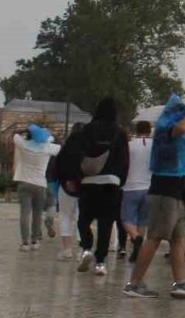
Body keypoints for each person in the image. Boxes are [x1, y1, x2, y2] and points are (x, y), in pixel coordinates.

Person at [123, 94, 185, 300]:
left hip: (176, 192)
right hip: (164, 193)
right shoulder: (165, 129)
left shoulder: (181, 126)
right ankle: (134, 283)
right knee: (154, 237)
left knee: (178, 239)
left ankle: (180, 282)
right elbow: (181, 130)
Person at [73, 97, 129, 277]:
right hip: (111, 184)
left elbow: (76, 155)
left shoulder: (87, 130)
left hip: (89, 182)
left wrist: (76, 177)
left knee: (84, 220)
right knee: (106, 224)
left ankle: (86, 248)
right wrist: (121, 181)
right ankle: (100, 262)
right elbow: (125, 161)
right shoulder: (120, 134)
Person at [12, 124, 60, 252]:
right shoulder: (48, 148)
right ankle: (35, 241)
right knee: (38, 214)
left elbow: (14, 134)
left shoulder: (23, 144)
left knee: (25, 214)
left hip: (24, 184)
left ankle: (25, 243)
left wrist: (26, 130)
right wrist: (50, 135)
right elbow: (61, 147)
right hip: (40, 185)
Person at [122, 120, 153, 263]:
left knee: (127, 219)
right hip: (149, 187)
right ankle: (138, 250)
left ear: (136, 130)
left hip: (130, 186)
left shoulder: (129, 146)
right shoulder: (154, 146)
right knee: (142, 221)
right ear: (149, 131)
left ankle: (135, 237)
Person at [54, 123, 85, 261]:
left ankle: (67, 249)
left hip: (66, 187)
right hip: (84, 187)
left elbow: (57, 167)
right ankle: (82, 250)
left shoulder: (66, 148)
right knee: (82, 218)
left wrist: (66, 180)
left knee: (65, 216)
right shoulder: (89, 147)